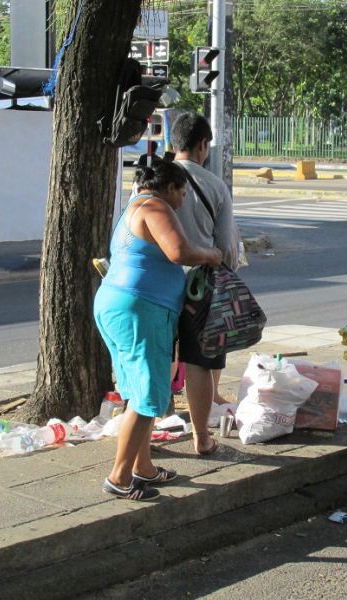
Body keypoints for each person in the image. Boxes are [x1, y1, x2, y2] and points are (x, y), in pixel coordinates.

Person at [94, 162, 222, 501]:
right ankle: (119, 478)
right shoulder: (154, 206)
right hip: (141, 308)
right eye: (181, 193)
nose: (181, 201)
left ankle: (144, 467)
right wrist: (209, 254)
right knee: (149, 394)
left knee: (136, 391)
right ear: (169, 187)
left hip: (121, 304)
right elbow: (178, 251)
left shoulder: (133, 207)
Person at [171, 112, 241, 456]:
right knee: (198, 361)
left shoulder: (152, 179)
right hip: (200, 286)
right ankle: (201, 436)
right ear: (203, 145)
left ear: (173, 142)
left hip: (156, 284)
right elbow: (226, 245)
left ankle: (152, 422)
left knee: (158, 357)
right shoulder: (215, 186)